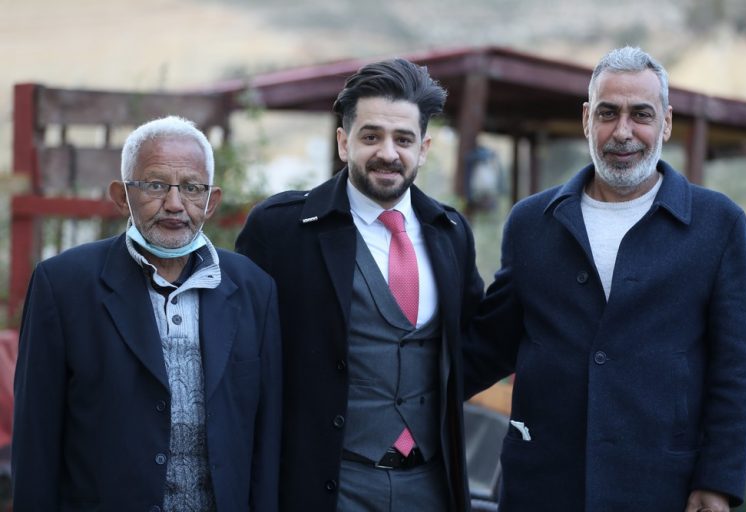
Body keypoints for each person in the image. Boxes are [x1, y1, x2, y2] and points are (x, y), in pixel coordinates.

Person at [464, 46, 746, 511]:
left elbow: (737, 368)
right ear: (587, 119)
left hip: (663, 489)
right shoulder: (531, 223)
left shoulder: (718, 224)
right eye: (608, 113)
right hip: (542, 487)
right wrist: (397, 391)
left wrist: (718, 482)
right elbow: (488, 346)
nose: (623, 131)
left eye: (640, 114)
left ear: (665, 123)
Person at [236, 58, 484, 511]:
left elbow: (472, 348)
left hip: (431, 487)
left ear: (424, 149)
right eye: (371, 136)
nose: (388, 153)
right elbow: (241, 360)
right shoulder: (281, 230)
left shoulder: (451, 234)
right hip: (329, 488)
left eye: (403, 139)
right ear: (343, 142)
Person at [12, 116, 282, 511]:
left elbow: (266, 439)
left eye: (192, 188)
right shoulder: (64, 285)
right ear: (122, 196)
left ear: (211, 201)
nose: (174, 204)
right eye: (155, 185)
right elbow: (35, 437)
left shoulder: (254, 289)